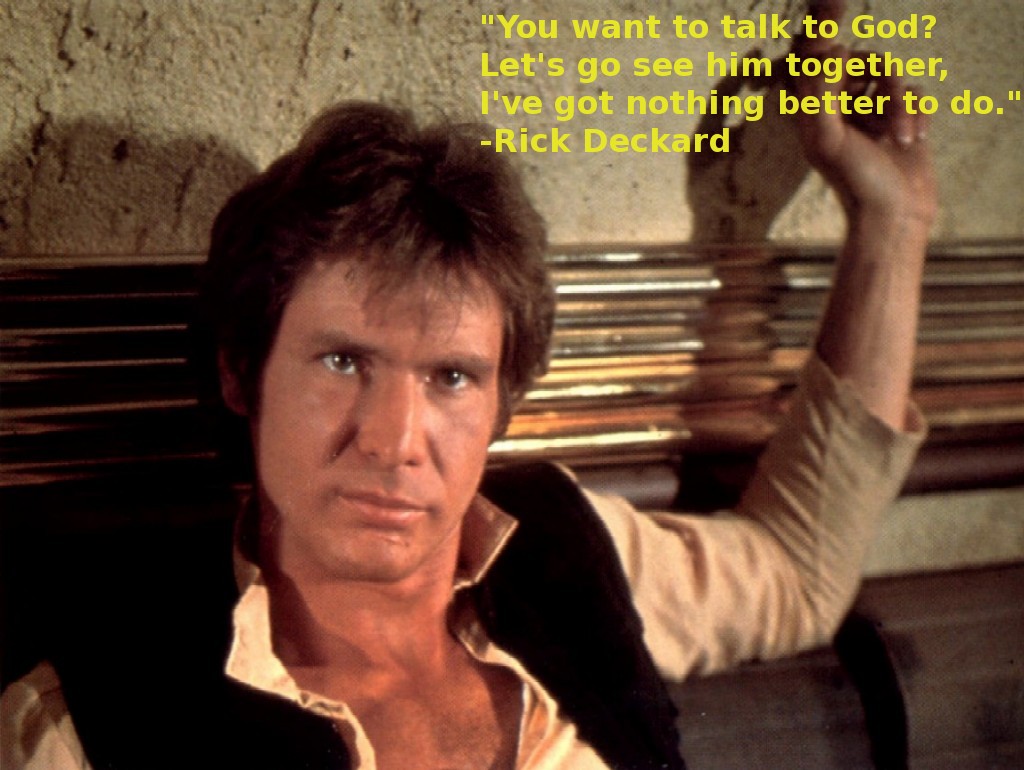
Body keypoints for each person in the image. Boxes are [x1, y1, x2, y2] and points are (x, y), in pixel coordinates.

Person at [1, 3, 934, 767]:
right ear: (242, 372)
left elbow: (796, 573)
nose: (394, 438)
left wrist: (891, 222)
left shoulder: (566, 554)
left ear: (499, 405)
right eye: (344, 362)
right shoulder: (91, 720)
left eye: (451, 376)